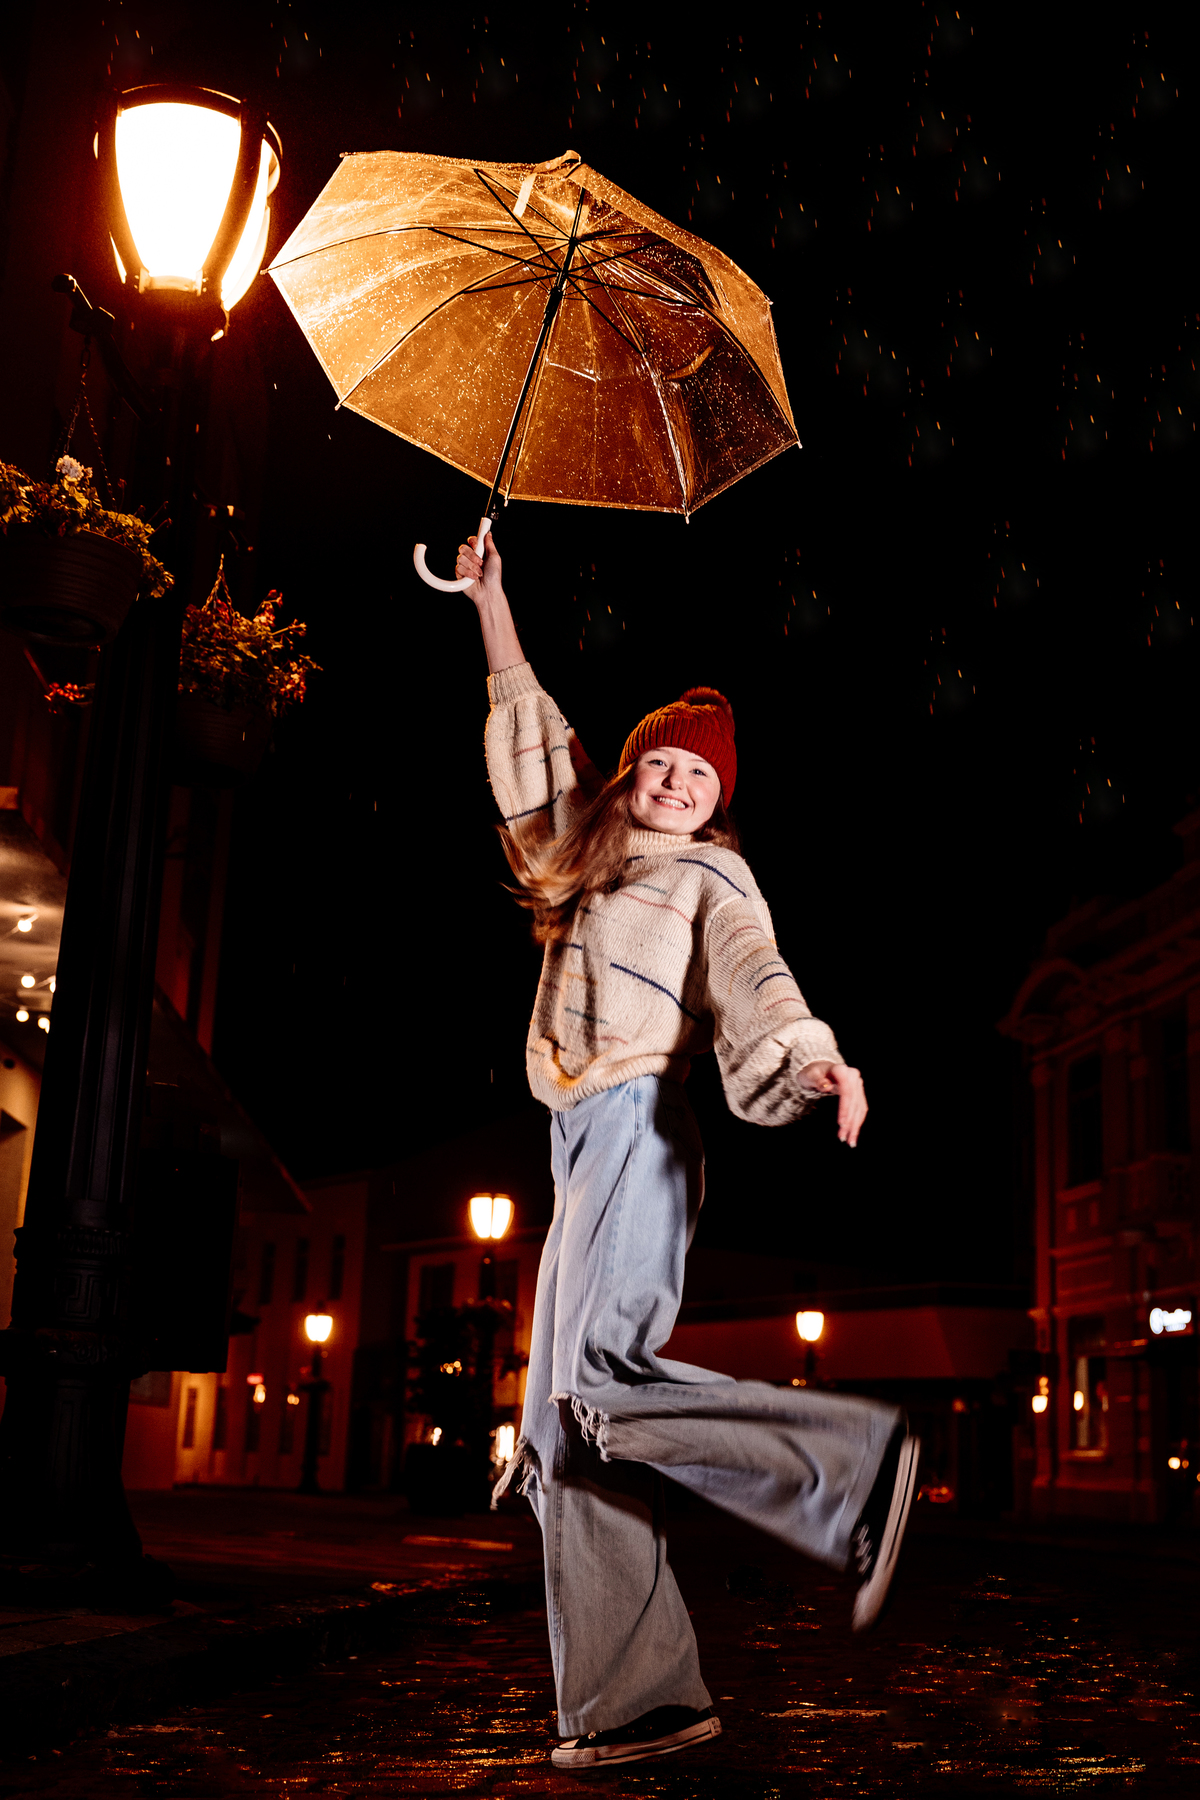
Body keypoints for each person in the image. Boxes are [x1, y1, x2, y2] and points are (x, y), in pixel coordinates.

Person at [456, 530, 919, 1772]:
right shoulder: (588, 858)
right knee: (559, 1439)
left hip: (642, 1126)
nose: (673, 786)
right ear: (629, 774)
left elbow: (758, 979)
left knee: (601, 1375)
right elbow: (531, 757)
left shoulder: (718, 881)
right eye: (658, 765)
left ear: (721, 802)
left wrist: (814, 1055)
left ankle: (851, 1468)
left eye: (696, 780)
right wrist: (494, 606)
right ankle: (640, 1700)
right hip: (574, 1143)